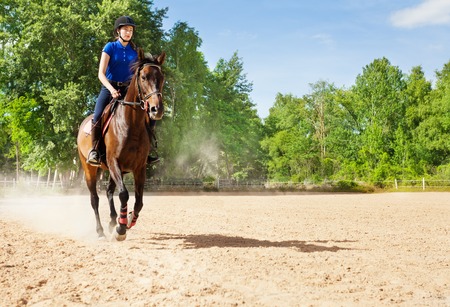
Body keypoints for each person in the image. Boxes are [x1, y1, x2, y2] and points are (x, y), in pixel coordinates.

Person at [86, 16, 159, 166]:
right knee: (98, 114)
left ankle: (147, 151)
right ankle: (94, 150)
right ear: (118, 30)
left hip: (129, 89)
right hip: (109, 87)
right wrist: (112, 89)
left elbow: (142, 74)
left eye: (131, 30)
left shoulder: (135, 51)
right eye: (125, 29)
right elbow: (101, 74)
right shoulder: (110, 47)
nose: (128, 32)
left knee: (150, 115)